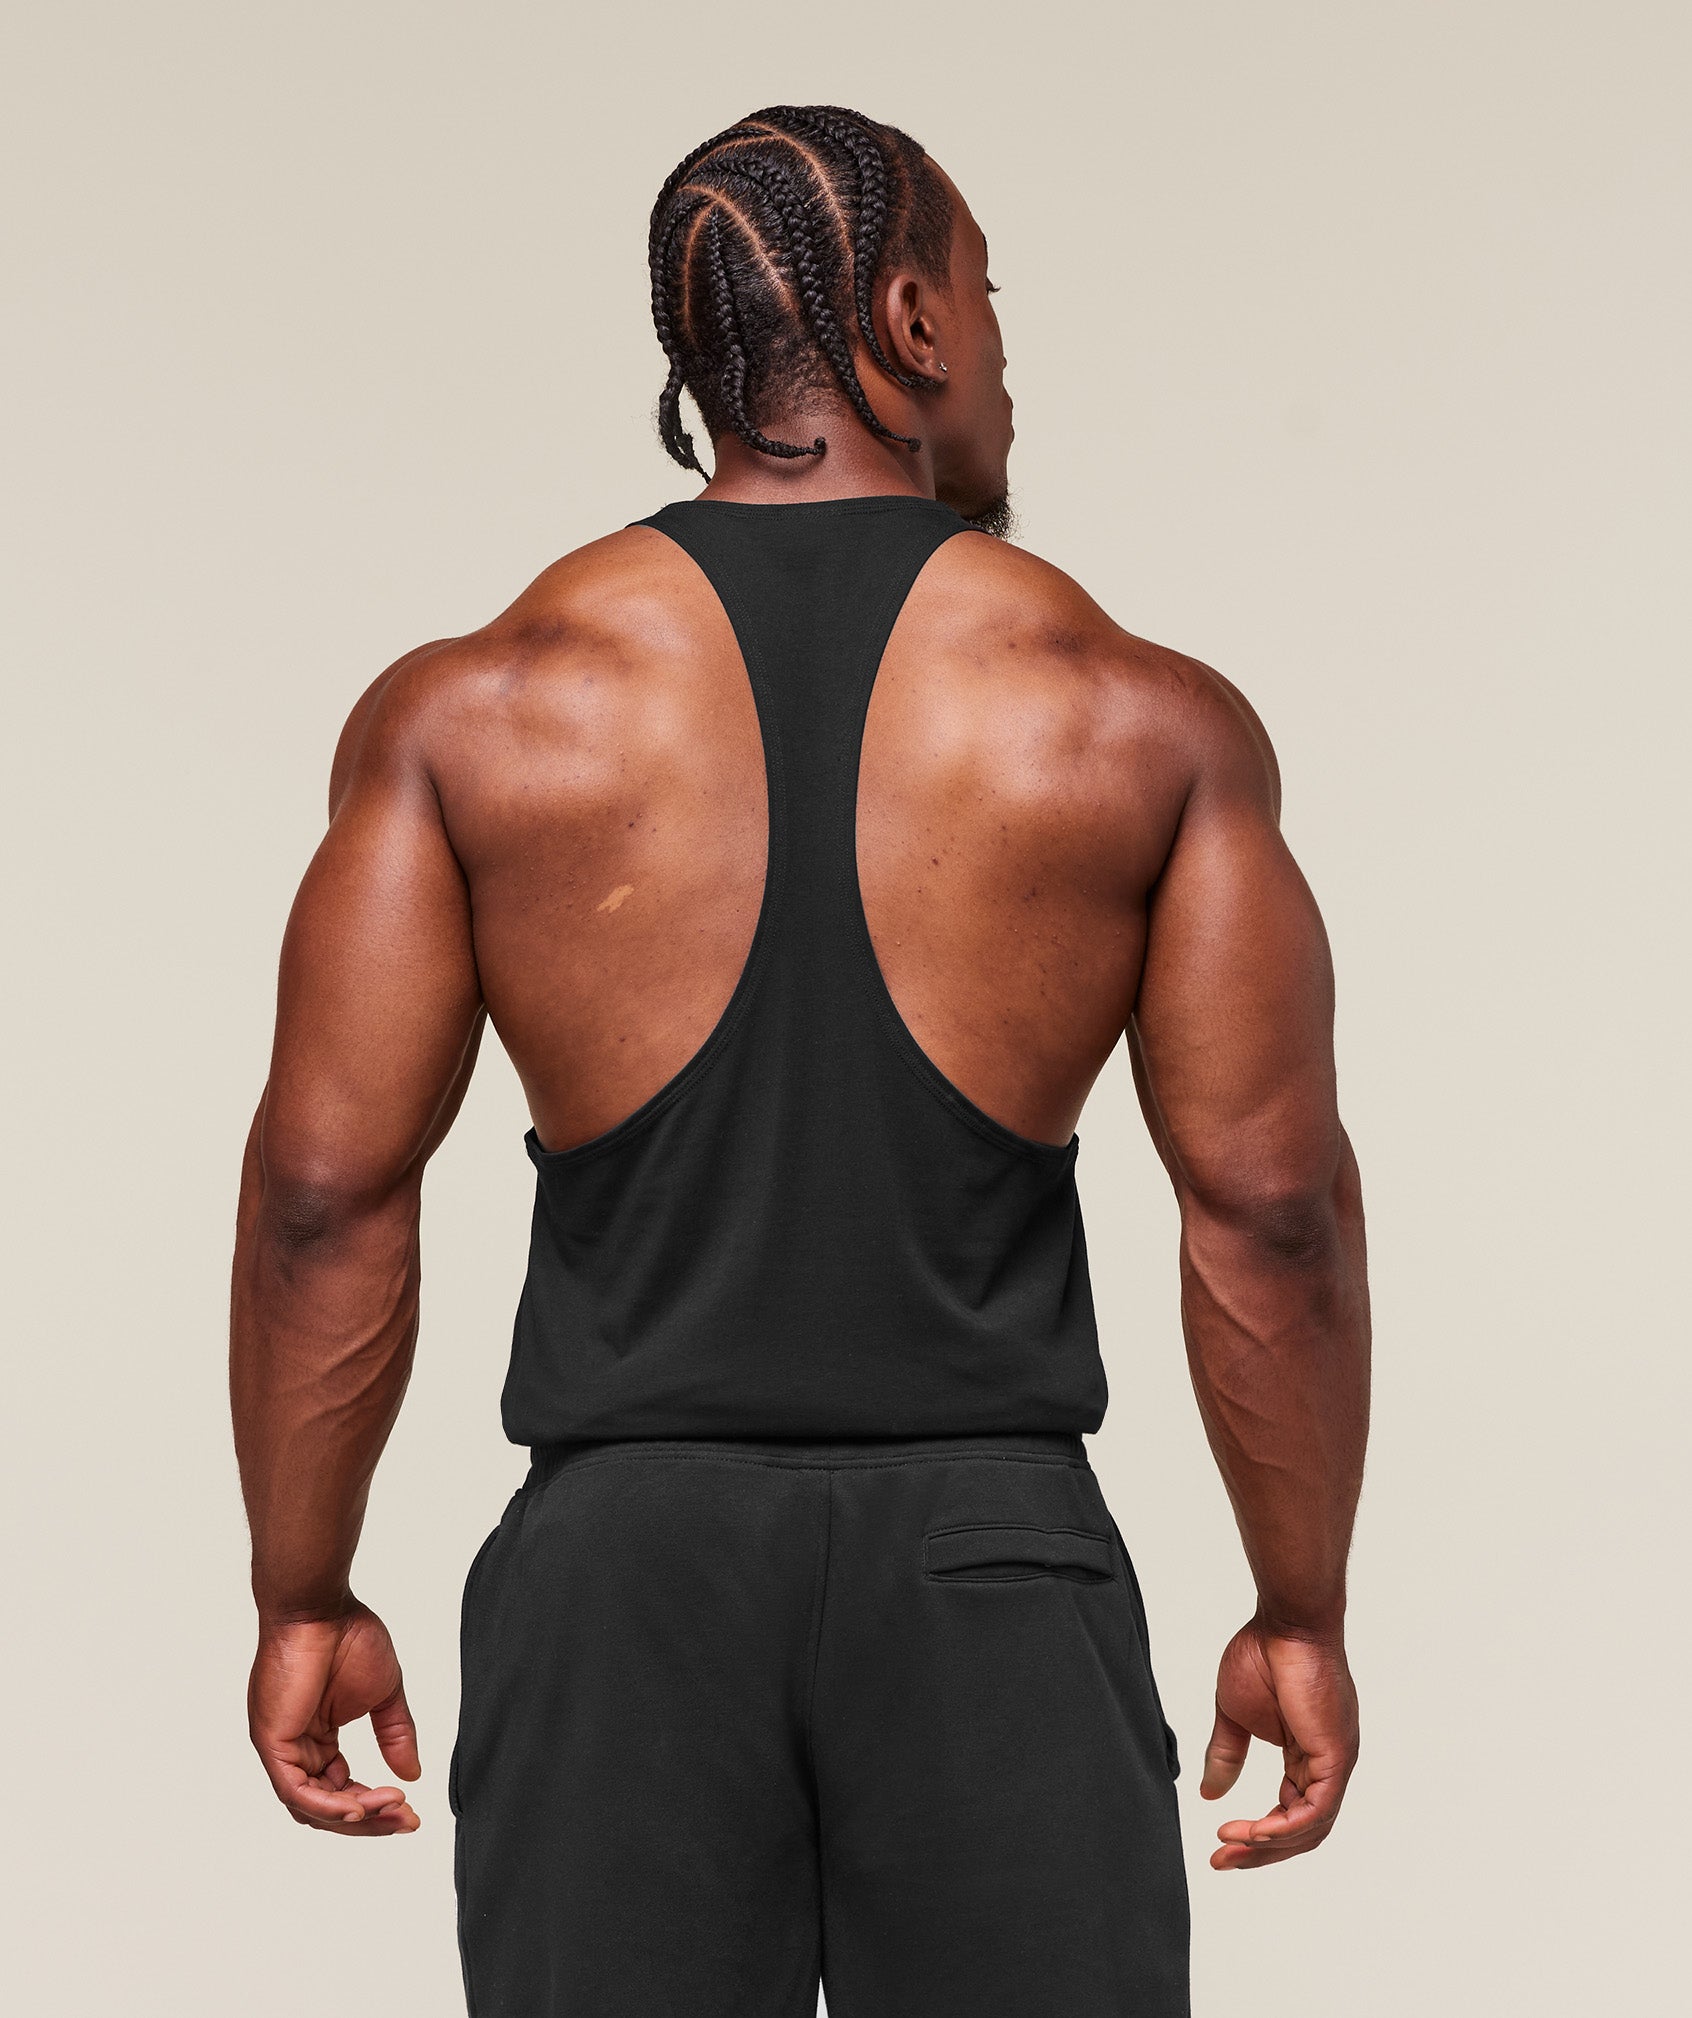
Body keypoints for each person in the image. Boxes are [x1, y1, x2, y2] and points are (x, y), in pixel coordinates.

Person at [231, 103, 1369, 2018]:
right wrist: (1301, 1605)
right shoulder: (1134, 722)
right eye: (989, 300)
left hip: (621, 1582)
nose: (1002, 352)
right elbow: (1272, 1211)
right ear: (913, 324)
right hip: (994, 1572)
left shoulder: (476, 712)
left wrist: (302, 1589)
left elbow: (320, 1194)